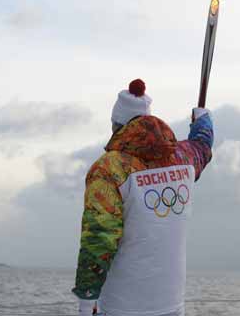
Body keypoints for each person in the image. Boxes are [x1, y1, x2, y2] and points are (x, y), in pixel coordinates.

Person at [72, 79, 214, 316]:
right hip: (172, 306)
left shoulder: (109, 169)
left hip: (124, 306)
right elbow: (202, 145)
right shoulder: (182, 158)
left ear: (117, 125)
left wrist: (87, 303)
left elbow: (99, 239)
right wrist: (203, 119)